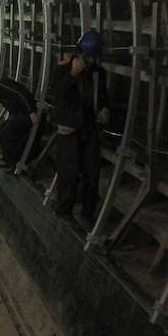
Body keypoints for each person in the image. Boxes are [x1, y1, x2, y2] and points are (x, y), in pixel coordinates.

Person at [47, 30, 110, 223]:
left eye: (93, 57)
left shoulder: (98, 73)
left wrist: (104, 109)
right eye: (87, 56)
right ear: (79, 51)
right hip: (69, 129)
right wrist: (74, 73)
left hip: (89, 128)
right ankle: (64, 211)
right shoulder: (64, 68)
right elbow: (56, 94)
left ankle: (87, 214)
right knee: (69, 172)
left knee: (92, 173)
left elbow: (103, 96)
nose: (90, 60)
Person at [0, 71, 38, 168]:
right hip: (21, 114)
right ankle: (9, 158)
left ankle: (13, 163)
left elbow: (20, 94)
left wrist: (31, 112)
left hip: (26, 114)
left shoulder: (2, 86)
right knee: (2, 129)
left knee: (5, 135)